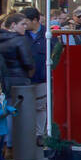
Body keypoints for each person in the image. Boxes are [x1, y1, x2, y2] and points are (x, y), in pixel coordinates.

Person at [22, 7, 48, 143]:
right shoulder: (21, 35)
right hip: (25, 78)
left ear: (35, 20)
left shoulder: (48, 34)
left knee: (40, 106)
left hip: (42, 77)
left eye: (26, 21)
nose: (24, 25)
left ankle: (39, 134)